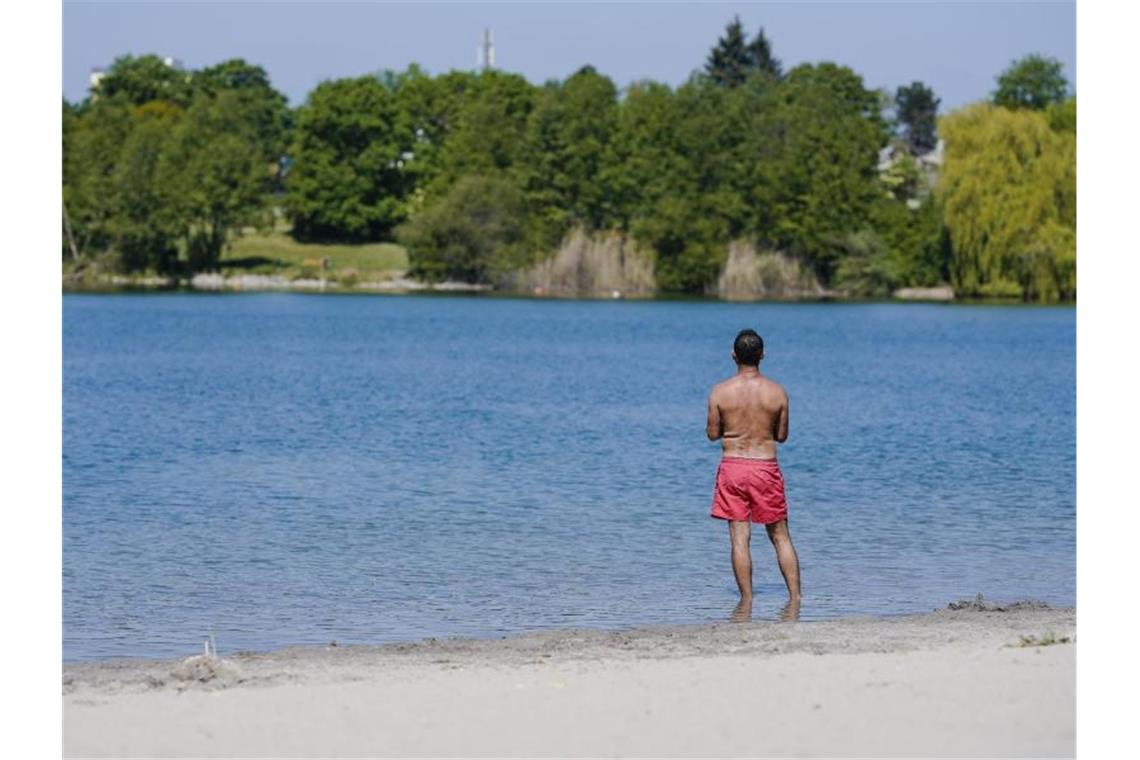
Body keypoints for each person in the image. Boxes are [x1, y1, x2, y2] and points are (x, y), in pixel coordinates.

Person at [706, 328, 801, 620]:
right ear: (762, 355)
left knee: (739, 538)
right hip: (765, 467)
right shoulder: (778, 392)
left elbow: (712, 434)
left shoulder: (720, 391)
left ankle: (745, 603)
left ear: (734, 355)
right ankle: (796, 600)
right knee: (780, 536)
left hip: (733, 467)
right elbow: (781, 436)